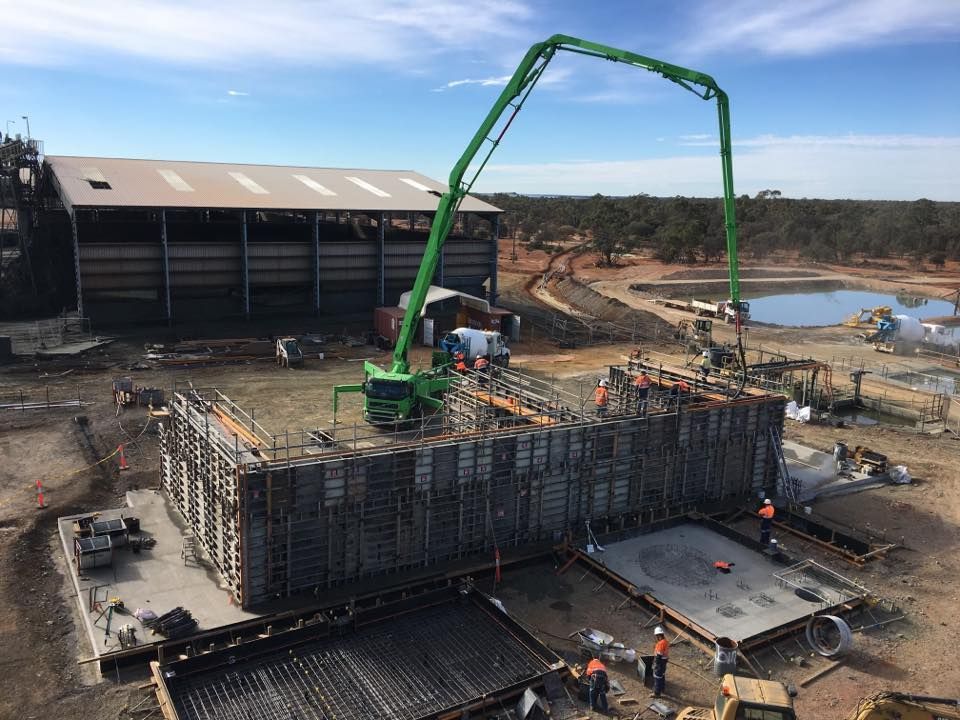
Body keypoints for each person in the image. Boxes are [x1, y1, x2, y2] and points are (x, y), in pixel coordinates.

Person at [651, 627, 669, 698]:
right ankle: (662, 688)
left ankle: (657, 693)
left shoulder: (661, 644)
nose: (656, 637)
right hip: (664, 661)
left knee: (657, 677)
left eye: (656, 636)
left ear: (658, 635)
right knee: (662, 675)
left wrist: (655, 664)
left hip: (660, 662)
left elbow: (659, 655)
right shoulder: (665, 642)